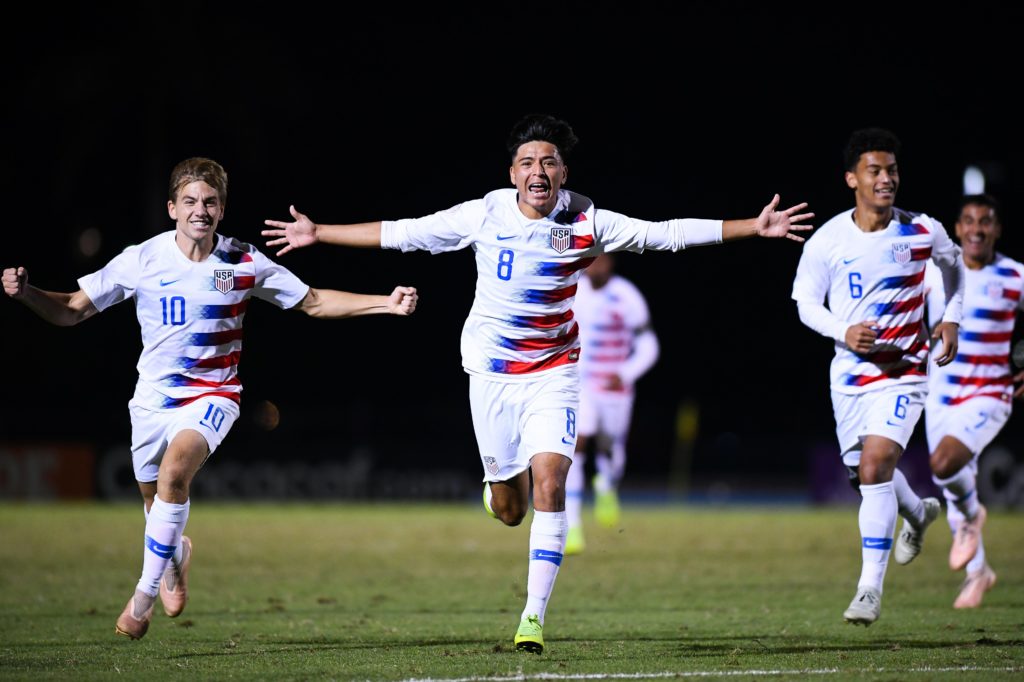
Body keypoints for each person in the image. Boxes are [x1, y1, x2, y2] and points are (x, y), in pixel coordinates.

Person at [263, 113, 813, 654]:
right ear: (512, 174)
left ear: (564, 173)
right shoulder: (485, 214)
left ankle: (532, 617)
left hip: (555, 373)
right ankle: (500, 488)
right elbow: (404, 233)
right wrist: (319, 233)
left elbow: (663, 235)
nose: (538, 170)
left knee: (551, 482)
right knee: (511, 510)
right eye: (528, 161)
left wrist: (750, 226)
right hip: (493, 377)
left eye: (549, 161)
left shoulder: (588, 222)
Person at [2, 157, 418, 640]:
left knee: (175, 475)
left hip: (214, 394)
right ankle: (176, 554)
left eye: (211, 202)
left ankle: (140, 601)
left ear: (221, 211)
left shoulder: (242, 261)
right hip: (152, 401)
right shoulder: (142, 259)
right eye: (191, 201)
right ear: (173, 208)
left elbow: (314, 301)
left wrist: (382, 303)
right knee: (154, 504)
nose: (201, 210)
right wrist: (28, 293)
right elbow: (73, 310)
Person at [791, 127, 965, 626]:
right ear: (852, 179)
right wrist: (845, 331)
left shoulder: (922, 230)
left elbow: (954, 269)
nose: (886, 179)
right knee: (863, 475)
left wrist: (949, 318)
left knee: (874, 468)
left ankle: (868, 589)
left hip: (906, 372)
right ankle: (918, 512)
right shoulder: (828, 239)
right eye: (875, 171)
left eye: (891, 170)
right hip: (849, 376)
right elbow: (805, 304)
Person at [923, 193, 1024, 608]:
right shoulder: (936, 273)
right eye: (968, 221)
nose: (977, 229)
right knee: (951, 486)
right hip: (939, 392)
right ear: (958, 228)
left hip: (990, 393)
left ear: (997, 229)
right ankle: (977, 571)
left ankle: (974, 517)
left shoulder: (1015, 276)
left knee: (945, 464)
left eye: (985, 221)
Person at [564, 253, 659, 555]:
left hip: (614, 390)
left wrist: (626, 373)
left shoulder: (626, 296)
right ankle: (573, 525)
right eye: (589, 260)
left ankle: (606, 484)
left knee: (610, 449)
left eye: (601, 260)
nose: (594, 266)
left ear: (610, 263)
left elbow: (648, 345)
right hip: (578, 384)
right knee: (576, 443)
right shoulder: (570, 288)